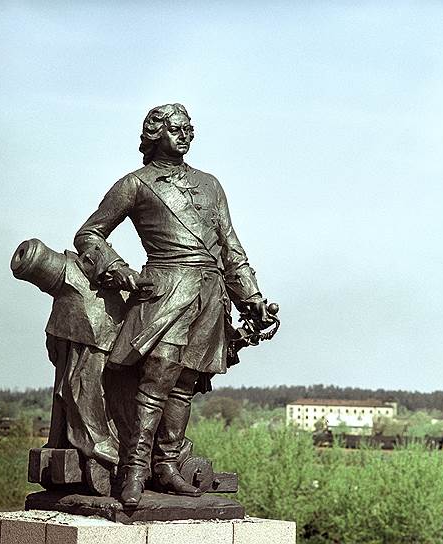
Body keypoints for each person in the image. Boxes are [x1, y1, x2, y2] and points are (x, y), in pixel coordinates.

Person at [74, 103, 271, 506]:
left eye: (189, 128)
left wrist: (252, 299)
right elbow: (89, 235)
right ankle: (134, 469)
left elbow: (230, 247)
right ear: (154, 133)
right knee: (158, 376)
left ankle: (165, 465)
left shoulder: (211, 184)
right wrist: (120, 271)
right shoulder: (136, 184)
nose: (186, 135)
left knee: (186, 384)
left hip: (210, 295)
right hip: (166, 287)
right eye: (177, 128)